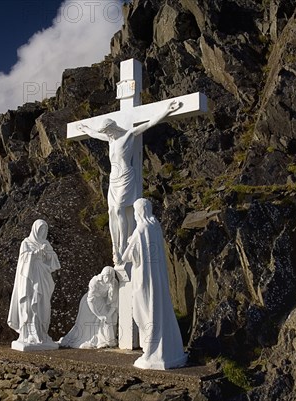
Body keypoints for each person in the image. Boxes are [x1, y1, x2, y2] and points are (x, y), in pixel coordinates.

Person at [77, 100, 182, 264]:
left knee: (119, 208)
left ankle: (123, 245)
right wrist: (86, 129)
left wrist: (166, 111)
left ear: (112, 128)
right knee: (114, 211)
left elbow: (149, 124)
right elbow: (96, 135)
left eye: (108, 131)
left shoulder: (128, 135)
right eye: (106, 133)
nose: (108, 134)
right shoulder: (110, 140)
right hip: (114, 179)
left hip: (126, 176)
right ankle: (116, 247)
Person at [122, 198, 187, 369]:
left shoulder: (140, 230)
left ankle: (152, 349)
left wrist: (129, 243)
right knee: (159, 310)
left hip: (143, 280)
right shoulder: (155, 227)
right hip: (157, 279)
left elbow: (127, 257)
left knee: (143, 311)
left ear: (139, 212)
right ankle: (169, 350)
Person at [7, 219, 61, 350]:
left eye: (45, 230)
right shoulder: (26, 243)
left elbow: (53, 261)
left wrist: (48, 254)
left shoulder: (46, 243)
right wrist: (35, 254)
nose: (43, 232)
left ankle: (42, 334)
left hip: (43, 277)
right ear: (35, 230)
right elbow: (23, 261)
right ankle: (29, 335)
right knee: (30, 307)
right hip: (30, 280)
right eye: (40, 230)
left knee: (43, 306)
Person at [59, 266, 118, 349]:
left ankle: (102, 340)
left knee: (104, 321)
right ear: (102, 275)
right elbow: (90, 301)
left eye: (110, 277)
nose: (107, 279)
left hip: (102, 303)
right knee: (85, 325)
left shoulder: (113, 283)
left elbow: (114, 303)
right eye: (106, 276)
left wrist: (108, 315)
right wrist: (98, 315)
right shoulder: (94, 282)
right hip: (89, 304)